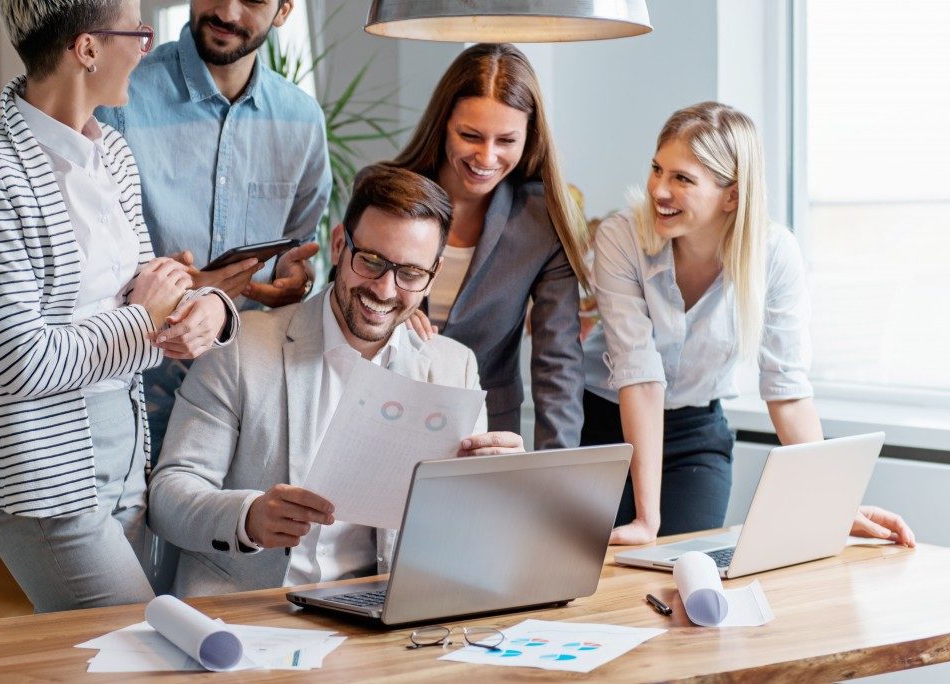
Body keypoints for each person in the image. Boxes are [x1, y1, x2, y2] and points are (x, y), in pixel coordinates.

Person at [0, 0, 238, 612]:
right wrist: (147, 317)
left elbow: (150, 287)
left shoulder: (114, 157)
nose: (146, 48)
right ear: (87, 49)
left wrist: (209, 305)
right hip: (43, 478)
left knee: (115, 661)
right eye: (138, 32)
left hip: (128, 456)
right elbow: (19, 361)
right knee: (141, 642)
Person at [147, 165, 525, 597]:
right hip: (247, 612)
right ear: (340, 244)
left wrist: (496, 485)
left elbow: (463, 531)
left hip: (381, 618)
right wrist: (249, 516)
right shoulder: (241, 347)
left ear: (432, 275)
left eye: (410, 274)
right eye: (372, 262)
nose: (384, 290)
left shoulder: (453, 367)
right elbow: (169, 497)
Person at [581, 102, 915, 547]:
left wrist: (835, 505)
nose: (658, 190)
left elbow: (788, 391)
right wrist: (647, 519)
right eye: (657, 169)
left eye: (682, 179)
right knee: (603, 577)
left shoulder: (775, 255)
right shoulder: (621, 237)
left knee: (690, 572)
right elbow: (640, 378)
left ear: (732, 195)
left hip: (695, 434)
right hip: (606, 425)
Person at [96, 0, 330, 461]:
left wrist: (295, 280)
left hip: (247, 394)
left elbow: (300, 247)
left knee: (228, 531)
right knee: (130, 534)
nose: (226, 10)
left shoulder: (302, 121)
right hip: (135, 387)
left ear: (283, 11)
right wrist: (176, 289)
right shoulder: (122, 95)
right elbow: (87, 259)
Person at [385, 43, 586, 450]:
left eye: (506, 140)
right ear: (443, 123)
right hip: (385, 408)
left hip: (487, 427)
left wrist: (555, 472)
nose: (487, 157)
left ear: (529, 137)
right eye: (470, 136)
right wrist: (385, 311)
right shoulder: (385, 195)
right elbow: (344, 301)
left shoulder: (542, 219)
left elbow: (558, 363)